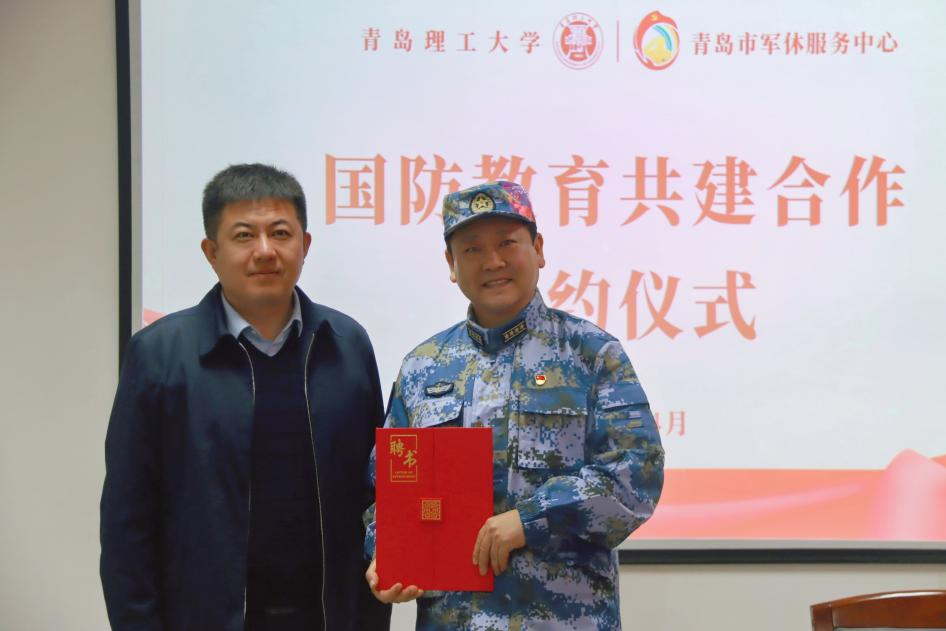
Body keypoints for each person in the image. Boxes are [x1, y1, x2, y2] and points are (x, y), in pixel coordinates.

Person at [100, 163, 390, 631]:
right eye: (243, 236)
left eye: (280, 233)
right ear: (211, 252)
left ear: (305, 245)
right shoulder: (159, 354)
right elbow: (127, 519)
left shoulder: (346, 344)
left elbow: (375, 496)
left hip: (326, 617)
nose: (265, 251)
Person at [363, 181, 665, 630]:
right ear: (451, 265)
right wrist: (386, 552)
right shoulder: (423, 367)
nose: (493, 262)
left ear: (538, 250)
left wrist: (531, 518)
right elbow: (385, 490)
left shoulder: (591, 353)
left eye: (507, 243)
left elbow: (635, 476)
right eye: (472, 249)